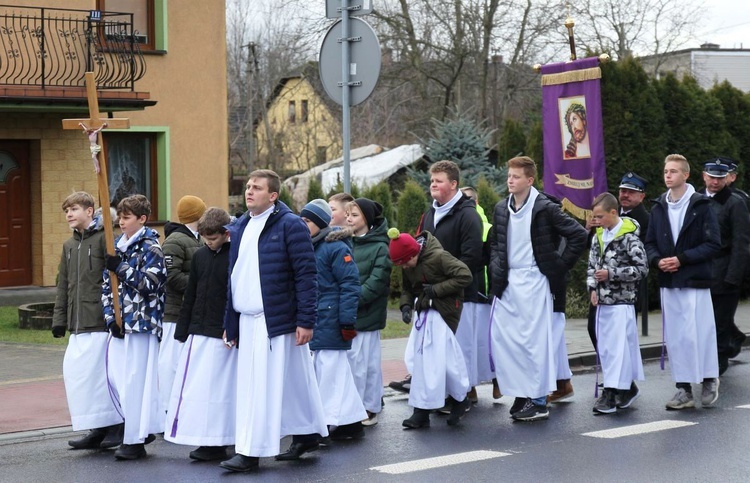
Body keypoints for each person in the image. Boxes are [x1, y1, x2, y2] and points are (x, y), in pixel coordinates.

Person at [220, 169, 327, 473]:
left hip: (276, 321)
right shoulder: (240, 226)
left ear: (273, 195)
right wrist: (231, 321)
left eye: (257, 188)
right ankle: (306, 435)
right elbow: (234, 279)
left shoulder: (290, 226)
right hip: (248, 320)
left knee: (261, 387)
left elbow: (306, 275)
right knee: (293, 383)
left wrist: (307, 320)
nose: (249, 191)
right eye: (248, 187)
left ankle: (251, 452)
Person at [488, 156, 587, 422]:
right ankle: (523, 392)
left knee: (534, 343)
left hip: (534, 280)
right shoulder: (501, 208)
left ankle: (539, 399)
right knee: (508, 342)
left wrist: (557, 266)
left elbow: (578, 234)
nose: (510, 180)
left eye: (516, 176)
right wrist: (497, 266)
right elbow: (496, 243)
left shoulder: (545, 208)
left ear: (530, 180)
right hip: (509, 282)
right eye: (509, 175)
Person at [644, 154, 721, 410]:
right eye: (666, 171)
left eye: (674, 171)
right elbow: (650, 243)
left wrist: (682, 259)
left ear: (686, 175)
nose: (668, 175)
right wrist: (657, 261)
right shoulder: (658, 206)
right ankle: (683, 389)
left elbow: (712, 243)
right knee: (676, 336)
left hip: (694, 280)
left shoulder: (700, 205)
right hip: (669, 281)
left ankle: (710, 379)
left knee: (700, 332)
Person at [52, 192, 123, 450]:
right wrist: (59, 319)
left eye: (74, 209)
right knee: (79, 376)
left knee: (102, 378)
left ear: (90, 211)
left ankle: (116, 425)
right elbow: (64, 285)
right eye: (66, 210)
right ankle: (98, 426)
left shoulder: (106, 241)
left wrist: (116, 318)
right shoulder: (69, 246)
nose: (69, 214)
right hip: (78, 322)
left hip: (100, 322)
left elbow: (115, 283)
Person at [164, 207, 237, 462]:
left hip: (221, 333)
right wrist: (183, 329)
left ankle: (222, 440)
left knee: (220, 391)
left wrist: (232, 327)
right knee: (198, 390)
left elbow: (234, 296)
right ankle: (205, 438)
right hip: (198, 330)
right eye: (205, 238)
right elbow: (191, 294)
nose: (208, 242)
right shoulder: (200, 257)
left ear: (226, 233)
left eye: (213, 238)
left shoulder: (235, 256)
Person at [102, 194, 167, 460]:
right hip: (122, 325)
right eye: (119, 216)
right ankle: (137, 427)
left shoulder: (151, 248)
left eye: (127, 217)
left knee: (137, 382)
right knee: (119, 380)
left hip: (142, 324)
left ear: (142, 219)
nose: (121, 222)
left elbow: (151, 285)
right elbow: (107, 288)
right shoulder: (116, 245)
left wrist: (123, 269)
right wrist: (110, 319)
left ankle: (135, 438)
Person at [390, 228, 472, 429]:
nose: (405, 267)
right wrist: (406, 306)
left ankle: (459, 400)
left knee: (442, 361)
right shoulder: (407, 261)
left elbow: (465, 276)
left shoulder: (439, 257)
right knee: (423, 362)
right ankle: (423, 411)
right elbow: (408, 289)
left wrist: (436, 290)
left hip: (444, 313)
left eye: (405, 262)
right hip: (425, 312)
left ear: (413, 253)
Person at [419, 160, 484, 411]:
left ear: (454, 184)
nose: (433, 184)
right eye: (432, 180)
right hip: (435, 294)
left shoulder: (468, 215)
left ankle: (462, 396)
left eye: (439, 181)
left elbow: (471, 258)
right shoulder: (430, 213)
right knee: (440, 349)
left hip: (460, 295)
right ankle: (447, 394)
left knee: (460, 347)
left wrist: (448, 283)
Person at [301, 199, 367, 441]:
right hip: (319, 317)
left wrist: (346, 321)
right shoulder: (311, 246)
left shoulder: (336, 248)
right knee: (330, 372)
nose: (303, 224)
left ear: (319, 223)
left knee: (331, 373)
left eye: (307, 220)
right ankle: (350, 423)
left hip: (331, 317)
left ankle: (327, 423)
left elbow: (350, 285)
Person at [587, 192, 648, 414]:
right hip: (602, 302)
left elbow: (641, 269)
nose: (597, 221)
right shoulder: (598, 237)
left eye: (600, 216)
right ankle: (624, 388)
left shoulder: (630, 238)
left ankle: (612, 393)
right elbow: (591, 267)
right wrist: (592, 288)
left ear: (614, 213)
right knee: (606, 348)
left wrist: (612, 273)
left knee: (618, 348)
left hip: (622, 302)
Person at [587, 172, 650, 351]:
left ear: (642, 196)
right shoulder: (603, 215)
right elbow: (592, 253)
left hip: (625, 288)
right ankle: (610, 372)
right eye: (622, 191)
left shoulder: (645, 220)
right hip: (601, 287)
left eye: (630, 192)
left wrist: (613, 272)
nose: (625, 195)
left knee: (621, 335)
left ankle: (624, 378)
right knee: (595, 329)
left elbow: (643, 259)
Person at [698, 159, 750, 375]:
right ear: (704, 176)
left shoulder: (735, 203)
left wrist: (734, 276)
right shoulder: (696, 199)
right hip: (700, 269)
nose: (715, 181)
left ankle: (718, 360)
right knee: (703, 319)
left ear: (727, 178)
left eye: (720, 177)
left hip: (724, 268)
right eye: (711, 177)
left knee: (719, 321)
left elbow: (741, 242)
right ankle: (732, 337)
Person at [159, 195, 206, 430]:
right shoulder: (176, 240)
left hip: (188, 313)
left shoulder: (194, 239)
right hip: (173, 314)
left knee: (182, 363)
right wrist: (201, 283)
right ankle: (168, 409)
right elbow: (170, 276)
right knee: (171, 364)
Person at [346, 198, 392, 426]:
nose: (349, 219)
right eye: (348, 215)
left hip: (367, 315)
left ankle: (370, 406)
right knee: (352, 365)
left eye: (354, 215)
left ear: (366, 219)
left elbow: (376, 282)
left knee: (367, 365)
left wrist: (351, 300)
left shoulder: (380, 247)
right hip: (347, 314)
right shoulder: (346, 243)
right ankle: (352, 406)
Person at [459, 186, 500, 400]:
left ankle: (496, 381)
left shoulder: (488, 227)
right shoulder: (459, 222)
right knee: (469, 342)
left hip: (483, 290)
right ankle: (470, 388)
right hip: (467, 291)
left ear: (474, 202)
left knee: (487, 341)